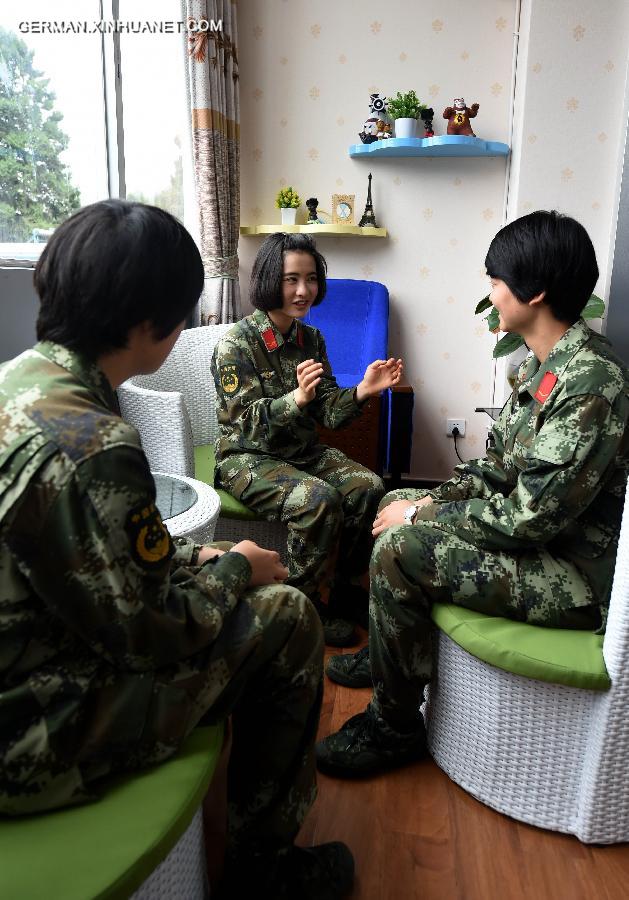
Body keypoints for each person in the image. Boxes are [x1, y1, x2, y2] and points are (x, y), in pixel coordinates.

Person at [0, 201, 354, 899]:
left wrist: (195, 559)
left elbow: (91, 563)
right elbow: (151, 634)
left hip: (26, 656)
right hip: (29, 736)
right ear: (148, 324)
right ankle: (265, 874)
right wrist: (231, 565)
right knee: (285, 616)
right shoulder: (95, 444)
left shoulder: (18, 382)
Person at [317, 210, 629, 778]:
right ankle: (394, 652)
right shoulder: (546, 369)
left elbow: (530, 517)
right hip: (539, 541)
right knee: (395, 504)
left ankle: (394, 727)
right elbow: (495, 471)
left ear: (532, 293)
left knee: (400, 549)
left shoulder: (592, 385)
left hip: (573, 574)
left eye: (495, 281)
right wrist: (413, 500)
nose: (490, 293)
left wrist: (423, 511)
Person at [211, 232, 403, 646]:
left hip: (301, 452)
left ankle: (346, 593)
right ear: (268, 280)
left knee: (367, 487)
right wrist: (294, 399)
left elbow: (329, 412)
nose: (303, 290)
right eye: (290, 279)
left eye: (311, 278)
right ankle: (300, 605)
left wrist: (364, 391)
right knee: (317, 500)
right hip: (246, 458)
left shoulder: (309, 339)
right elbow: (244, 423)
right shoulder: (235, 343)